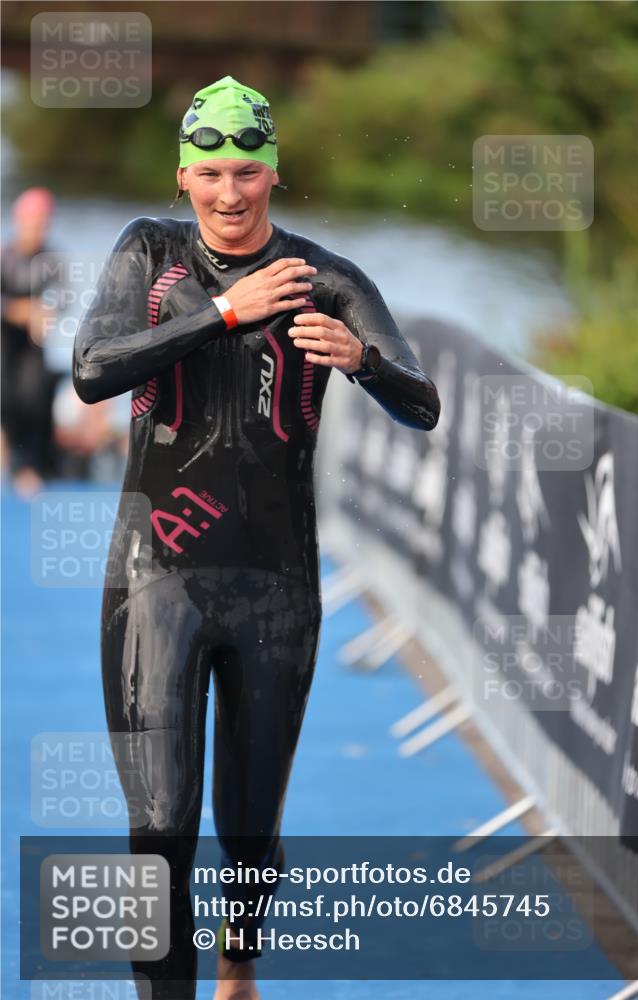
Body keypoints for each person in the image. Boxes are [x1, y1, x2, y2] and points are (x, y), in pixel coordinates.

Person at [73, 75, 440, 1000]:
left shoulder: (327, 278)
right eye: (211, 174)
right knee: (159, 824)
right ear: (183, 178)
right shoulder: (146, 254)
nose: (229, 193)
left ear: (274, 176)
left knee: (244, 825)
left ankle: (239, 969)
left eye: (247, 172)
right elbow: (90, 372)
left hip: (277, 585)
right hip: (155, 575)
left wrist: (362, 362)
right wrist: (224, 315)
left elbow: (423, 404)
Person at [1, 187, 61, 496]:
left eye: (43, 224)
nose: (37, 230)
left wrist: (47, 310)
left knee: (36, 395)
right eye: (32, 223)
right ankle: (13, 461)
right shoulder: (4, 257)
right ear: (19, 222)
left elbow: (63, 296)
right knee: (7, 396)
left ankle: (34, 466)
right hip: (4, 340)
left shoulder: (51, 259)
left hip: (34, 343)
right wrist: (16, 310)